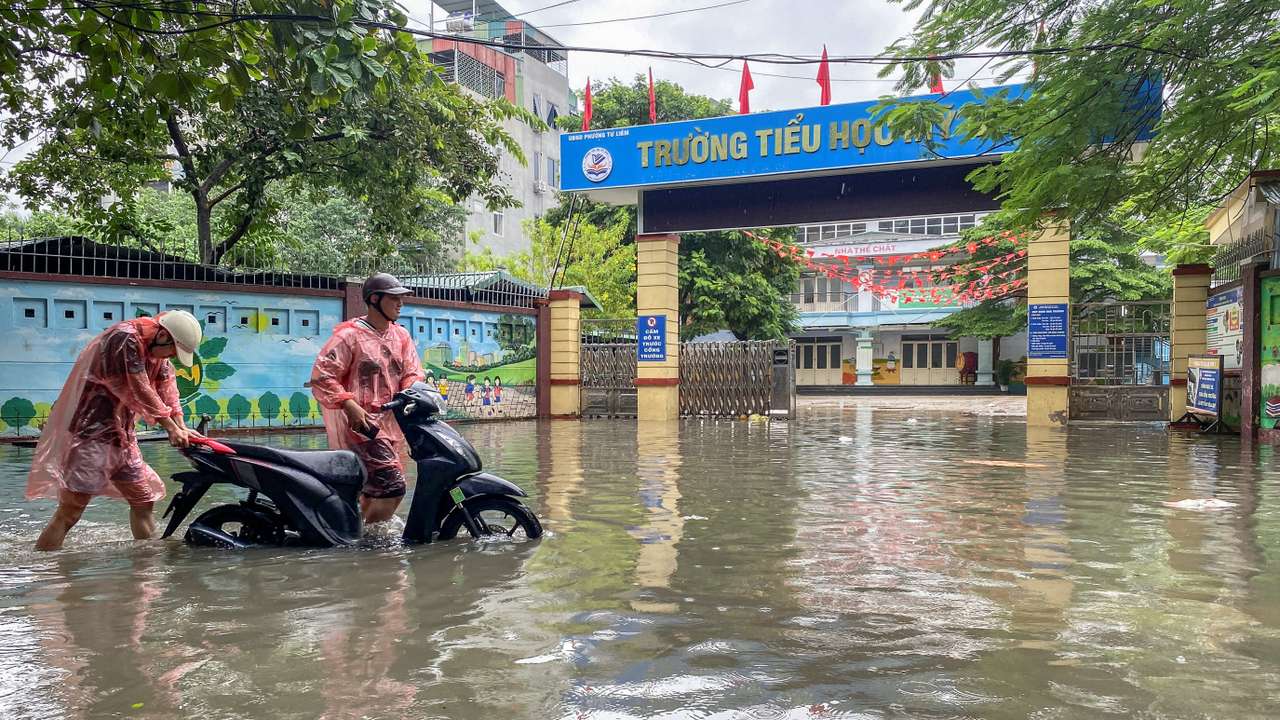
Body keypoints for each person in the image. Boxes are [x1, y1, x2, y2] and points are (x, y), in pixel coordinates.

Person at [27, 310, 204, 551]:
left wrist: (182, 427)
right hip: (89, 438)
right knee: (71, 512)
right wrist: (170, 428)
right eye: (173, 350)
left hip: (123, 439)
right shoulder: (124, 339)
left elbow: (168, 389)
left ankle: (147, 570)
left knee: (143, 502)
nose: (172, 356)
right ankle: (45, 569)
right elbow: (137, 387)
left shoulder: (157, 354)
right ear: (162, 336)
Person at [310, 273, 424, 524]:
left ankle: (357, 531)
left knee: (373, 490)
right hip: (362, 426)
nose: (400, 304)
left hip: (394, 423)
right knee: (392, 487)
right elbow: (322, 376)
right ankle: (371, 543)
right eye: (394, 298)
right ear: (374, 299)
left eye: (401, 298)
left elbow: (413, 371)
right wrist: (348, 404)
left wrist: (413, 393)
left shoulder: (401, 336)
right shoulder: (348, 336)